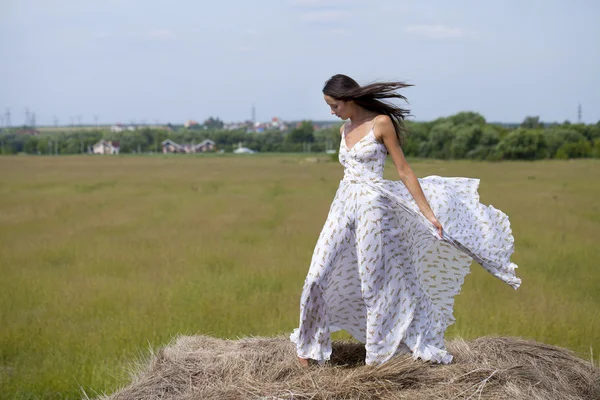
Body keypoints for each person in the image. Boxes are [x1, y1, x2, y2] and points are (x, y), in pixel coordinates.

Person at [290, 74, 521, 368]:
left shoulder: (381, 123)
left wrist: (428, 213)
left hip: (373, 209)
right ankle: (307, 347)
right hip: (342, 205)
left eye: (334, 105)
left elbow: (404, 170)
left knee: (373, 284)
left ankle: (378, 357)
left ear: (349, 99)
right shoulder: (343, 128)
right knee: (316, 275)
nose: (331, 111)